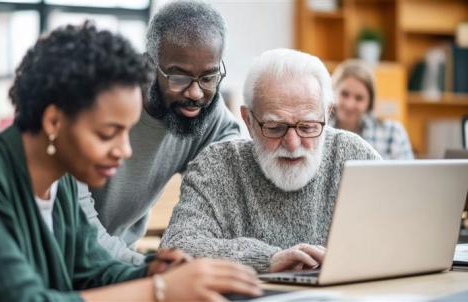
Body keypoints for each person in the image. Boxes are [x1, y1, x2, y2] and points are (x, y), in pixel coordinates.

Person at [0, 22, 262, 301]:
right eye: (108, 133)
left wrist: (151, 269)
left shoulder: (58, 180)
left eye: (126, 132)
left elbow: (92, 268)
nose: (125, 150)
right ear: (53, 122)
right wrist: (158, 289)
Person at [160, 49, 381, 273]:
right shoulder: (217, 166)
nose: (293, 144)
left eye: (308, 127)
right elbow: (177, 246)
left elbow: (405, 234)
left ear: (327, 113)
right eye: (275, 128)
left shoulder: (354, 155)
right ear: (248, 121)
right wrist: (266, 259)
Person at [78, 0, 243, 265]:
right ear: (148, 65)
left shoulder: (208, 114)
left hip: (126, 263)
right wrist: (150, 268)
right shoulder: (97, 104)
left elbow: (238, 177)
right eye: (178, 77)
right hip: (73, 263)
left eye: (209, 77)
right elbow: (79, 234)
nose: (195, 93)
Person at [330, 59, 414, 159]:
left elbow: (407, 174)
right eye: (344, 94)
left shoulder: (393, 133)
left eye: (359, 98)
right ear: (332, 93)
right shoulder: (318, 131)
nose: (349, 105)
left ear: (369, 103)